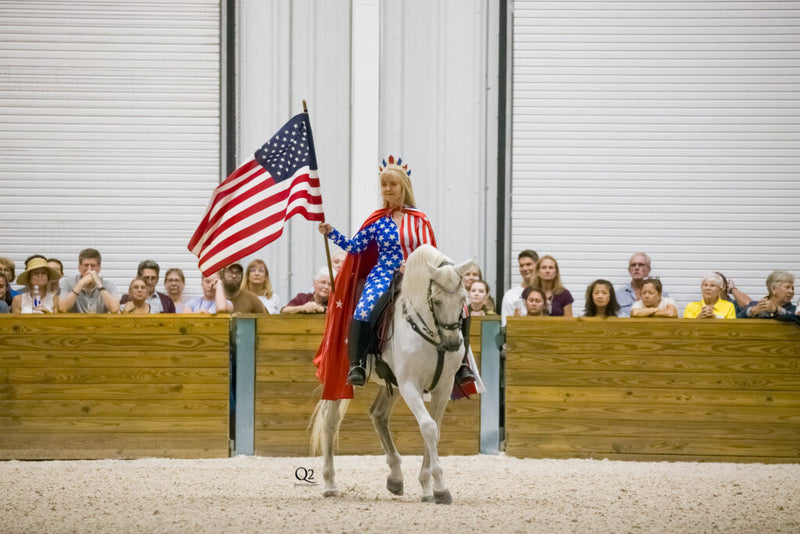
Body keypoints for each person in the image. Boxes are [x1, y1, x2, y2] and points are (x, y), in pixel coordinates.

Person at [315, 154, 473, 392]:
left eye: (392, 185)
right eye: (384, 185)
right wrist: (332, 233)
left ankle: (461, 364)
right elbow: (355, 247)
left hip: (418, 275)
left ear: (403, 187)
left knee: (461, 306)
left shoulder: (419, 219)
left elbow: (430, 249)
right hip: (384, 274)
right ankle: (357, 365)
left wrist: (411, 265)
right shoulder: (378, 221)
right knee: (364, 308)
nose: (387, 189)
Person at [58, 248, 120, 313]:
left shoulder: (108, 285)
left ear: (99, 268)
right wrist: (80, 285)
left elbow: (115, 309)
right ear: (79, 267)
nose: (89, 269)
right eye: (86, 265)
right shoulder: (67, 282)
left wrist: (99, 284)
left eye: (93, 266)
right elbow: (62, 308)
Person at [616, 252, 666, 318]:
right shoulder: (619, 295)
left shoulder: (661, 294)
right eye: (633, 265)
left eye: (641, 265)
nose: (636, 268)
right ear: (629, 270)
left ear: (649, 269)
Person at [501, 249, 539, 323]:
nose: (525, 268)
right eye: (521, 265)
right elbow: (505, 326)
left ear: (537, 265)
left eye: (528, 264)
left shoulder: (545, 291)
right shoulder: (510, 295)